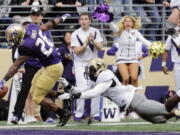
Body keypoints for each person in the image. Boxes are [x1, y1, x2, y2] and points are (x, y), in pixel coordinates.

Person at [0, 14, 72, 126]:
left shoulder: (27, 45)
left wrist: (3, 80)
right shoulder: (31, 27)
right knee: (33, 89)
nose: (12, 41)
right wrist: (62, 18)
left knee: (37, 98)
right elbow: (49, 24)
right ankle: (64, 96)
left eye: (13, 38)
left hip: (52, 68)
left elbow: (16, 65)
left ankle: (62, 113)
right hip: (49, 65)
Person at [59, 58, 180, 124]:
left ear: (98, 70)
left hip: (136, 101)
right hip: (133, 104)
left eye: (91, 70)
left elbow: (94, 93)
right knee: (160, 120)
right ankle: (176, 113)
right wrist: (68, 86)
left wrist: (72, 97)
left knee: (163, 109)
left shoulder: (106, 75)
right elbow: (81, 90)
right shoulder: (97, 79)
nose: (89, 73)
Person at [10, 8, 55, 124]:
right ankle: (17, 115)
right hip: (30, 64)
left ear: (41, 17)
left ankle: (48, 116)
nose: (35, 17)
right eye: (33, 15)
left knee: (46, 89)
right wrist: (21, 66)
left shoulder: (47, 31)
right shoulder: (26, 30)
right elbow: (18, 50)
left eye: (37, 15)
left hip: (44, 64)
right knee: (24, 90)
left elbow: (50, 47)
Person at [71, 12, 103, 122]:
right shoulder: (75, 34)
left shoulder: (95, 31)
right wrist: (85, 43)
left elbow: (100, 48)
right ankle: (79, 113)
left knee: (96, 88)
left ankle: (95, 113)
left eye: (86, 19)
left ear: (90, 21)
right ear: (79, 21)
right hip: (80, 63)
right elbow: (77, 51)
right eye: (81, 19)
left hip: (93, 63)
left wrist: (92, 41)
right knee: (81, 88)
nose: (83, 21)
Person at [110, 16, 151, 87]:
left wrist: (156, 45)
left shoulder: (136, 32)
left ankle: (134, 96)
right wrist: (108, 19)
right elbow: (113, 27)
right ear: (123, 23)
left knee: (134, 79)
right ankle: (124, 97)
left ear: (132, 24)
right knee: (125, 79)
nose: (128, 23)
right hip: (121, 59)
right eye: (126, 21)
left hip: (133, 58)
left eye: (129, 21)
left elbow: (144, 41)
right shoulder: (119, 31)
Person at [162, 19, 180, 110]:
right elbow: (166, 50)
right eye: (179, 21)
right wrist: (163, 64)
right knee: (178, 87)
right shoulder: (172, 35)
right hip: (177, 64)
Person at [57, 31, 75, 112]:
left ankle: (77, 113)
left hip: (77, 75)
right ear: (64, 38)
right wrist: (65, 58)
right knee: (67, 95)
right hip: (67, 75)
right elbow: (58, 61)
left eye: (70, 36)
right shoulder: (62, 49)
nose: (68, 37)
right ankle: (66, 113)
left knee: (77, 95)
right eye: (66, 36)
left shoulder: (77, 47)